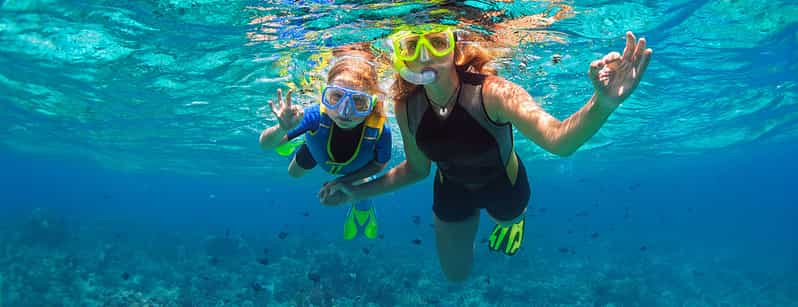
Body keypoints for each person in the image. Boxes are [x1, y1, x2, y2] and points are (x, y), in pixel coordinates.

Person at [320, 24, 652, 282]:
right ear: (402, 55)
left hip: (504, 185)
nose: (424, 56)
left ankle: (515, 220)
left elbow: (559, 141)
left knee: (507, 217)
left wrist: (603, 103)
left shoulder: (493, 93)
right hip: (450, 188)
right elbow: (417, 170)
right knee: (455, 275)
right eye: (412, 46)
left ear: (454, 48)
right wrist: (354, 192)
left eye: (437, 42)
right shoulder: (406, 105)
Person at [259, 44, 392, 240]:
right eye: (336, 97)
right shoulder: (314, 115)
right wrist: (282, 129)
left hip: (356, 169)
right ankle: (293, 138)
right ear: (324, 96)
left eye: (359, 102)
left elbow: (380, 164)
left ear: (372, 104)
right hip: (316, 150)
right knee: (293, 173)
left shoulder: (380, 130)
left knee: (361, 187)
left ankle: (362, 212)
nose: (344, 111)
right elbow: (265, 145)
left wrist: (341, 182)